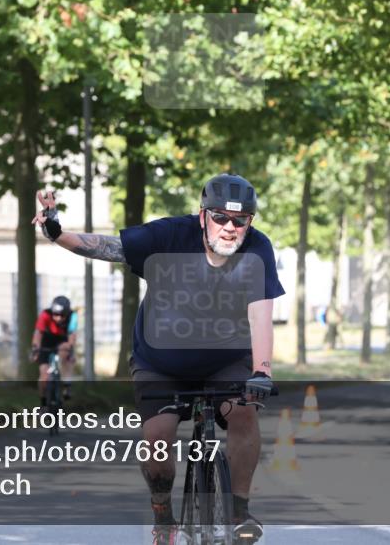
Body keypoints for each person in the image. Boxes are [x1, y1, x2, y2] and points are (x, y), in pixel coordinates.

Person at [32, 173, 283, 545]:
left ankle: (239, 511)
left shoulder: (258, 249)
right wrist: (56, 232)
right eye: (220, 217)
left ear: (250, 222)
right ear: (203, 215)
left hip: (226, 358)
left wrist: (261, 371)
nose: (230, 228)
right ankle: (163, 512)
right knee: (158, 437)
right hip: (160, 362)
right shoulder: (169, 237)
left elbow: (260, 315)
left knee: (244, 411)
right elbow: (108, 247)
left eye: (240, 220)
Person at [30, 295, 77, 404]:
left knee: (66, 353)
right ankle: (43, 402)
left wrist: (70, 349)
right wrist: (35, 349)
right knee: (44, 375)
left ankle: (66, 385)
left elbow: (72, 334)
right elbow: (38, 333)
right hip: (46, 340)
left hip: (62, 340)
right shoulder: (45, 314)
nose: (58, 318)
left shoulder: (72, 316)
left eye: (62, 315)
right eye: (56, 315)